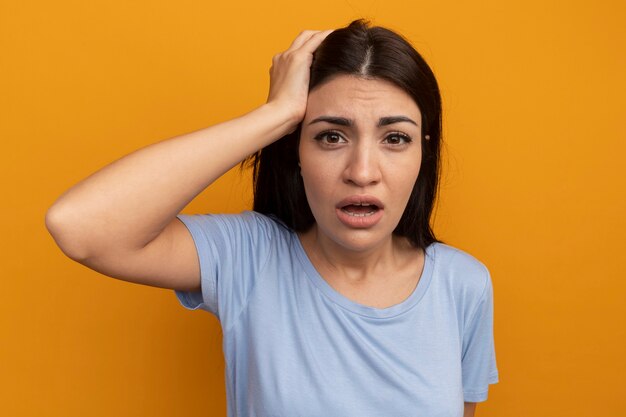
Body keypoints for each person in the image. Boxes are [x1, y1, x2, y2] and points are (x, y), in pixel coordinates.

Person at [46, 19, 498, 417]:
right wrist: (275, 115)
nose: (362, 172)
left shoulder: (464, 285)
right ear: (296, 151)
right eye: (331, 136)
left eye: (395, 138)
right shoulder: (249, 258)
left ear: (424, 153)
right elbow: (79, 226)